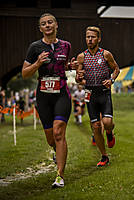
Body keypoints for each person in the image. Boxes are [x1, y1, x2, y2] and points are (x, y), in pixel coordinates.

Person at [22, 13, 78, 188]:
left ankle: (60, 176)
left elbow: (64, 65)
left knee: (59, 132)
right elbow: (25, 73)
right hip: (43, 95)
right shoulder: (35, 47)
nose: (47, 25)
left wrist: (71, 67)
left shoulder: (65, 46)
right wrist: (37, 63)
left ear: (56, 25)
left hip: (61, 93)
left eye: (50, 22)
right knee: (51, 138)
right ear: (40, 28)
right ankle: (57, 152)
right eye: (44, 24)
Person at [76, 26, 120, 167]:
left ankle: (109, 133)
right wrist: (79, 77)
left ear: (99, 39)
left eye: (92, 37)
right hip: (90, 94)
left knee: (106, 123)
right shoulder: (81, 57)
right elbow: (79, 79)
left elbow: (116, 69)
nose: (89, 39)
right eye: (87, 37)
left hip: (104, 92)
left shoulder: (106, 54)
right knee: (95, 127)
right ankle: (104, 156)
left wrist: (111, 80)